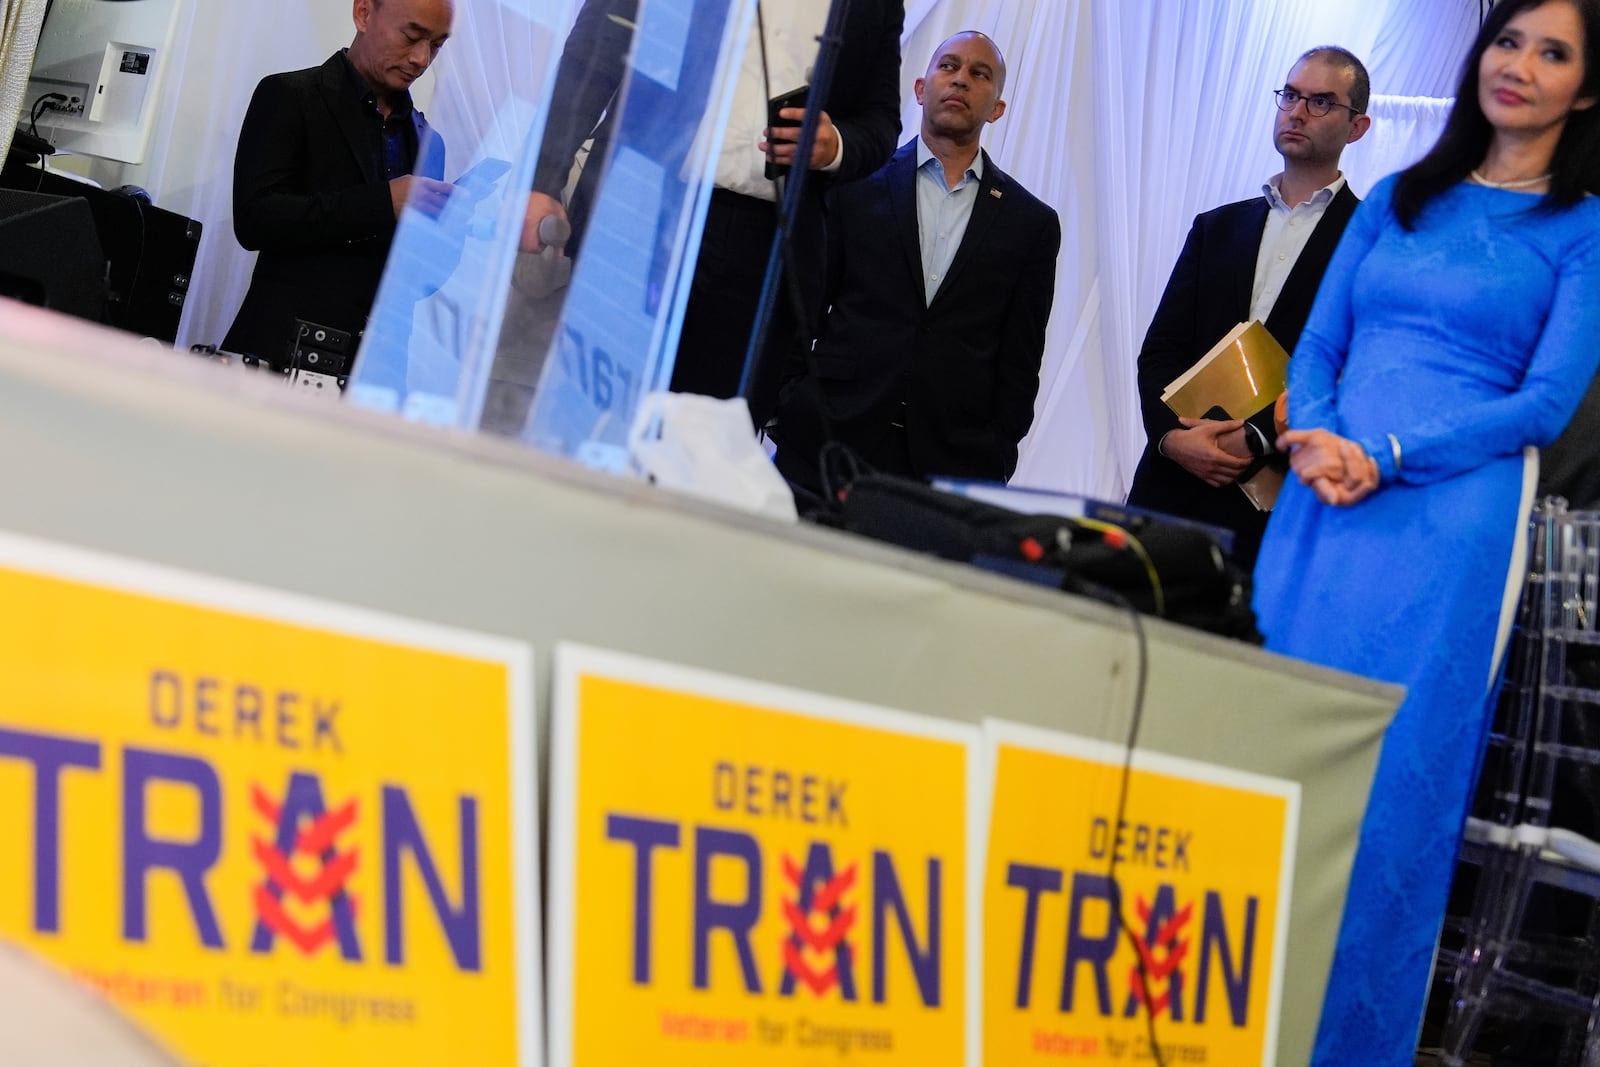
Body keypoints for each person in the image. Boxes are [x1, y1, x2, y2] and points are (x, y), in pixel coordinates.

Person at [1251, 1, 1600, 1062]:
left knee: (1388, 790)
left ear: (1585, 91)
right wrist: (1314, 435)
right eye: (1507, 40)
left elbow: (1544, 402)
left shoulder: (1583, 224)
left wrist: (1388, 453)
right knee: (1258, 746)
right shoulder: (1399, 195)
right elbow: (1316, 340)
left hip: (1448, 519)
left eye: (1553, 54)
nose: (1520, 66)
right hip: (1321, 495)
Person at [518, 0, 904, 425]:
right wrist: (541, 178)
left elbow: (881, 119)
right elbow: (595, 50)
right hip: (640, 213)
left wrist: (836, 145)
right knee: (588, 421)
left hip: (768, 252)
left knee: (707, 454)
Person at [769, 32, 1059, 491]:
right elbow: (803, 301)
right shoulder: (854, 181)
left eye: (979, 74)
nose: (961, 80)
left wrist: (998, 450)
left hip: (948, 465)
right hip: (826, 440)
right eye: (949, 66)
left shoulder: (1032, 223)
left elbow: (1021, 359)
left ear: (997, 108)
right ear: (921, 89)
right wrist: (790, 402)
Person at [1125, 47, 1371, 569]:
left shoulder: (1373, 243)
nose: (1298, 111)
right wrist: (1170, 438)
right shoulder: (1216, 226)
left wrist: (1257, 437)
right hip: (1171, 491)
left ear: (1358, 127)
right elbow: (1161, 351)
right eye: (1291, 95)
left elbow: (1357, 373)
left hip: (1282, 510)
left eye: (1322, 101)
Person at [222, 0, 455, 368]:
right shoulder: (289, 95)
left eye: (438, 45)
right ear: (364, 13)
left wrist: (449, 239)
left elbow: (417, 281)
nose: (422, 59)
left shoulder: (430, 142)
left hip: (376, 372)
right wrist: (383, 203)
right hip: (279, 356)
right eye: (411, 37)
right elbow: (255, 220)